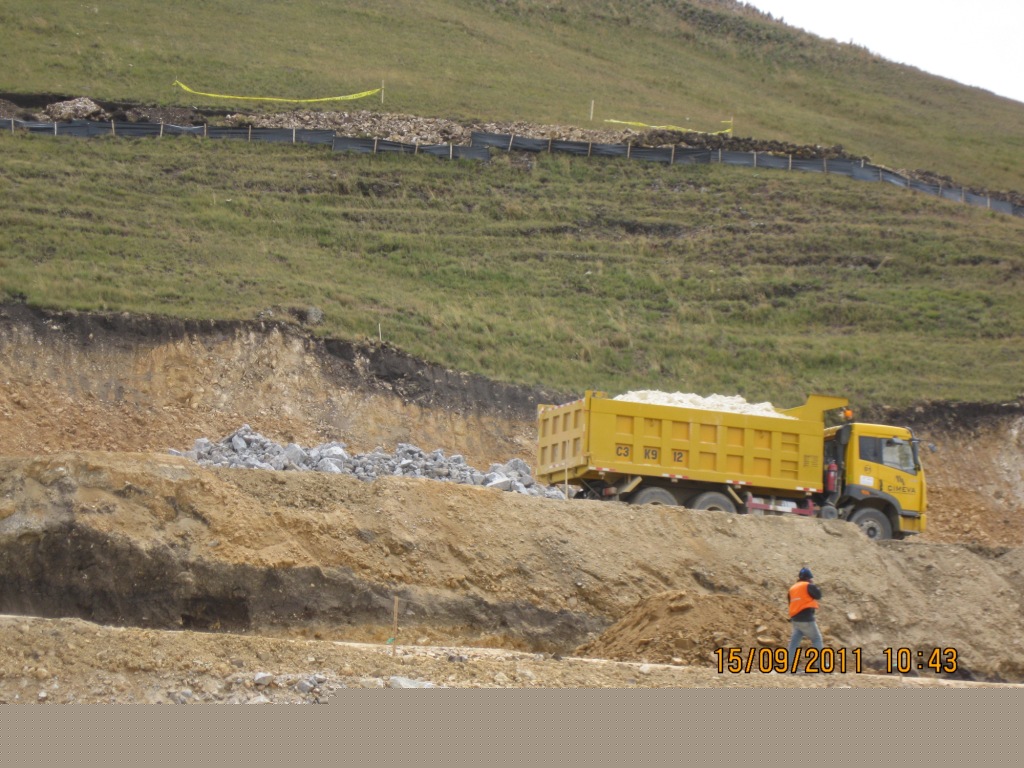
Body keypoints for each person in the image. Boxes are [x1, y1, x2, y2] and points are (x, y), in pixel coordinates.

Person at [787, 566, 824, 669]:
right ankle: (821, 666)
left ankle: (790, 666)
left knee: (794, 641)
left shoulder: (792, 588)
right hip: (806, 618)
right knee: (816, 639)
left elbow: (791, 603)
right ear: (808, 577)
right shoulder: (808, 585)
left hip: (795, 619)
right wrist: (813, 585)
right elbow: (818, 595)